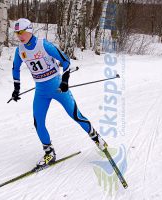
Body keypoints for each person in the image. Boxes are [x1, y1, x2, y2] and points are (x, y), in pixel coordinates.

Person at [11, 18, 107, 167]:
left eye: (21, 32)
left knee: (75, 115)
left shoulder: (44, 45)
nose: (19, 36)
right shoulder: (20, 50)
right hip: (41, 91)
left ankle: (96, 137)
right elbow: (15, 68)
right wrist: (16, 89)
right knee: (38, 123)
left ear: (29, 31)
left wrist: (65, 81)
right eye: (17, 33)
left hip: (57, 87)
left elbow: (66, 61)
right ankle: (49, 153)